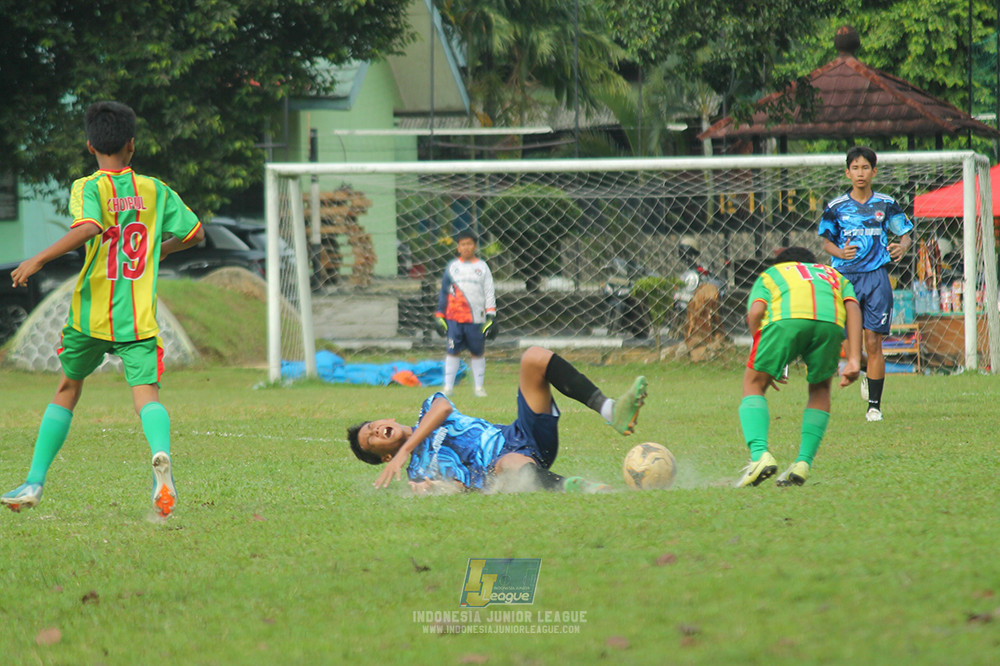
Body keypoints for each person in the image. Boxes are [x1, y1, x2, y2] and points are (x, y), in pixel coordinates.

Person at [1, 101, 204, 516]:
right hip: (138, 314)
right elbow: (196, 233)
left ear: (90, 144)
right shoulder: (154, 189)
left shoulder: (87, 187)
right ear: (132, 145)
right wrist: (154, 252)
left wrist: (39, 259)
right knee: (146, 395)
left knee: (68, 389)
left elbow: (91, 226)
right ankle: (160, 462)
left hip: (91, 315)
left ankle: (35, 482)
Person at [347, 347, 648, 494]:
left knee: (533, 357)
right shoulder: (416, 471)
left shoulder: (428, 408)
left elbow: (443, 410)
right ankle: (580, 488)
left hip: (520, 433)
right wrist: (431, 489)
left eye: (373, 425)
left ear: (387, 419)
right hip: (502, 464)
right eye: (371, 438)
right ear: (384, 455)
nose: (376, 429)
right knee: (509, 466)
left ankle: (610, 410)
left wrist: (404, 449)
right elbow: (457, 488)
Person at [736, 247, 862, 488]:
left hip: (785, 321)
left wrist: (762, 354)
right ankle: (803, 463)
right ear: (813, 263)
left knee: (753, 383)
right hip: (830, 323)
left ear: (782, 263)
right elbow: (853, 308)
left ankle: (760, 456)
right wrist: (854, 357)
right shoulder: (833, 275)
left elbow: (756, 312)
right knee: (820, 388)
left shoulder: (772, 274)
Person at [819, 146, 913, 422]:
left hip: (876, 277)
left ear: (874, 171)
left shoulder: (885, 204)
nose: (860, 173)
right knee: (849, 344)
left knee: (874, 341)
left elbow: (905, 233)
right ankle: (860, 369)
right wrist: (840, 253)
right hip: (845, 278)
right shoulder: (836, 207)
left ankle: (874, 406)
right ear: (848, 172)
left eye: (865, 168)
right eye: (855, 168)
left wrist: (903, 247)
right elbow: (826, 241)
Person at [434, 229, 496, 397]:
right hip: (454, 319)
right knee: (452, 351)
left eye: (470, 244)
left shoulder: (482, 267)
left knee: (477, 352)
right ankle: (448, 387)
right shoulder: (453, 267)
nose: (466, 247)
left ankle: (479, 388)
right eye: (463, 244)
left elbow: (489, 292)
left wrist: (491, 315)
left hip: (476, 319)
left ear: (475, 246)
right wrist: (439, 315)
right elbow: (444, 292)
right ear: (458, 247)